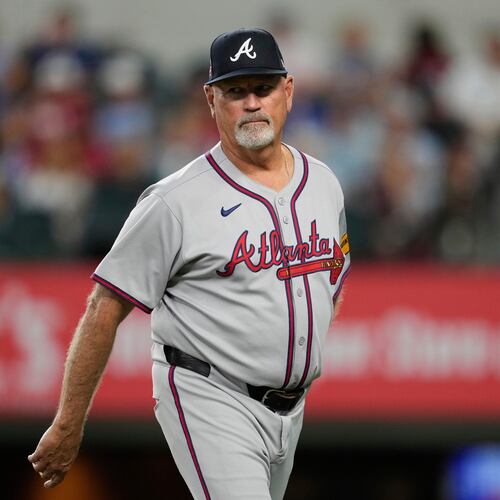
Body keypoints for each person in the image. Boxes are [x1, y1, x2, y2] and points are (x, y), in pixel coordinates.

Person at [28, 28, 351, 499]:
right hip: (209, 393)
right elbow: (104, 307)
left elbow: (331, 280)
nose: (252, 103)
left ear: (288, 90)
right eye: (236, 91)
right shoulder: (175, 201)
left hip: (290, 408)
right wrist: (68, 423)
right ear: (211, 99)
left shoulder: (324, 183)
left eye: (262, 88)